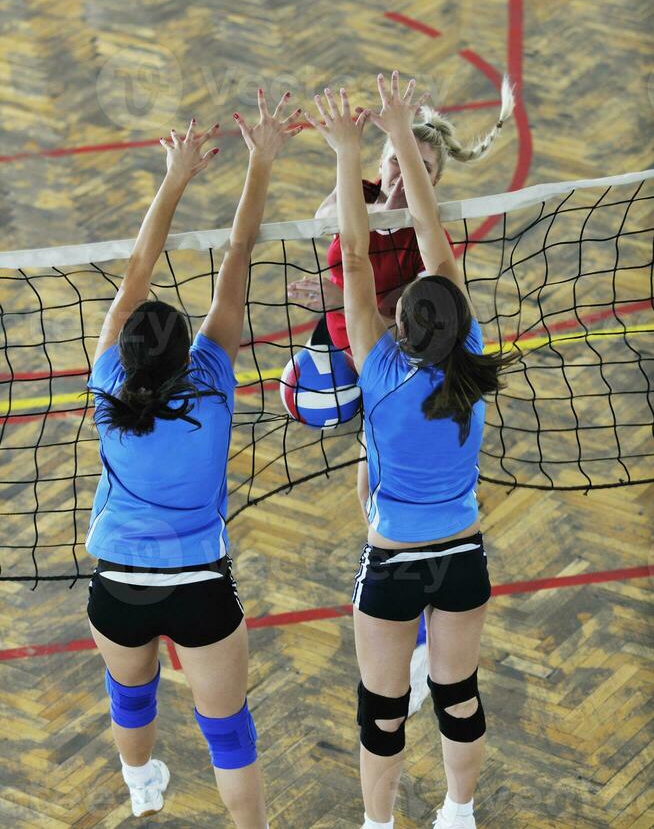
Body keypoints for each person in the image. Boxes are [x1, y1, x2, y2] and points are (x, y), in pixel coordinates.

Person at [303, 71, 517, 829]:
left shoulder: (379, 372)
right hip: (463, 556)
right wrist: (395, 145)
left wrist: (356, 145)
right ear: (458, 319)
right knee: (459, 699)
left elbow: (357, 260)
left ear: (401, 326)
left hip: (392, 562)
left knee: (382, 711)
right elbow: (433, 248)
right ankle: (458, 811)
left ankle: (377, 825)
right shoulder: (475, 361)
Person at [86, 92, 302, 826]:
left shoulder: (107, 384)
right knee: (230, 736)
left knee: (131, 697)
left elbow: (136, 272)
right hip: (199, 586)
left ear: (125, 349)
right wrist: (261, 160)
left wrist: (173, 176)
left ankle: (142, 786)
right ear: (187, 352)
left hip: (118, 585)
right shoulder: (212, 384)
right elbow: (238, 254)